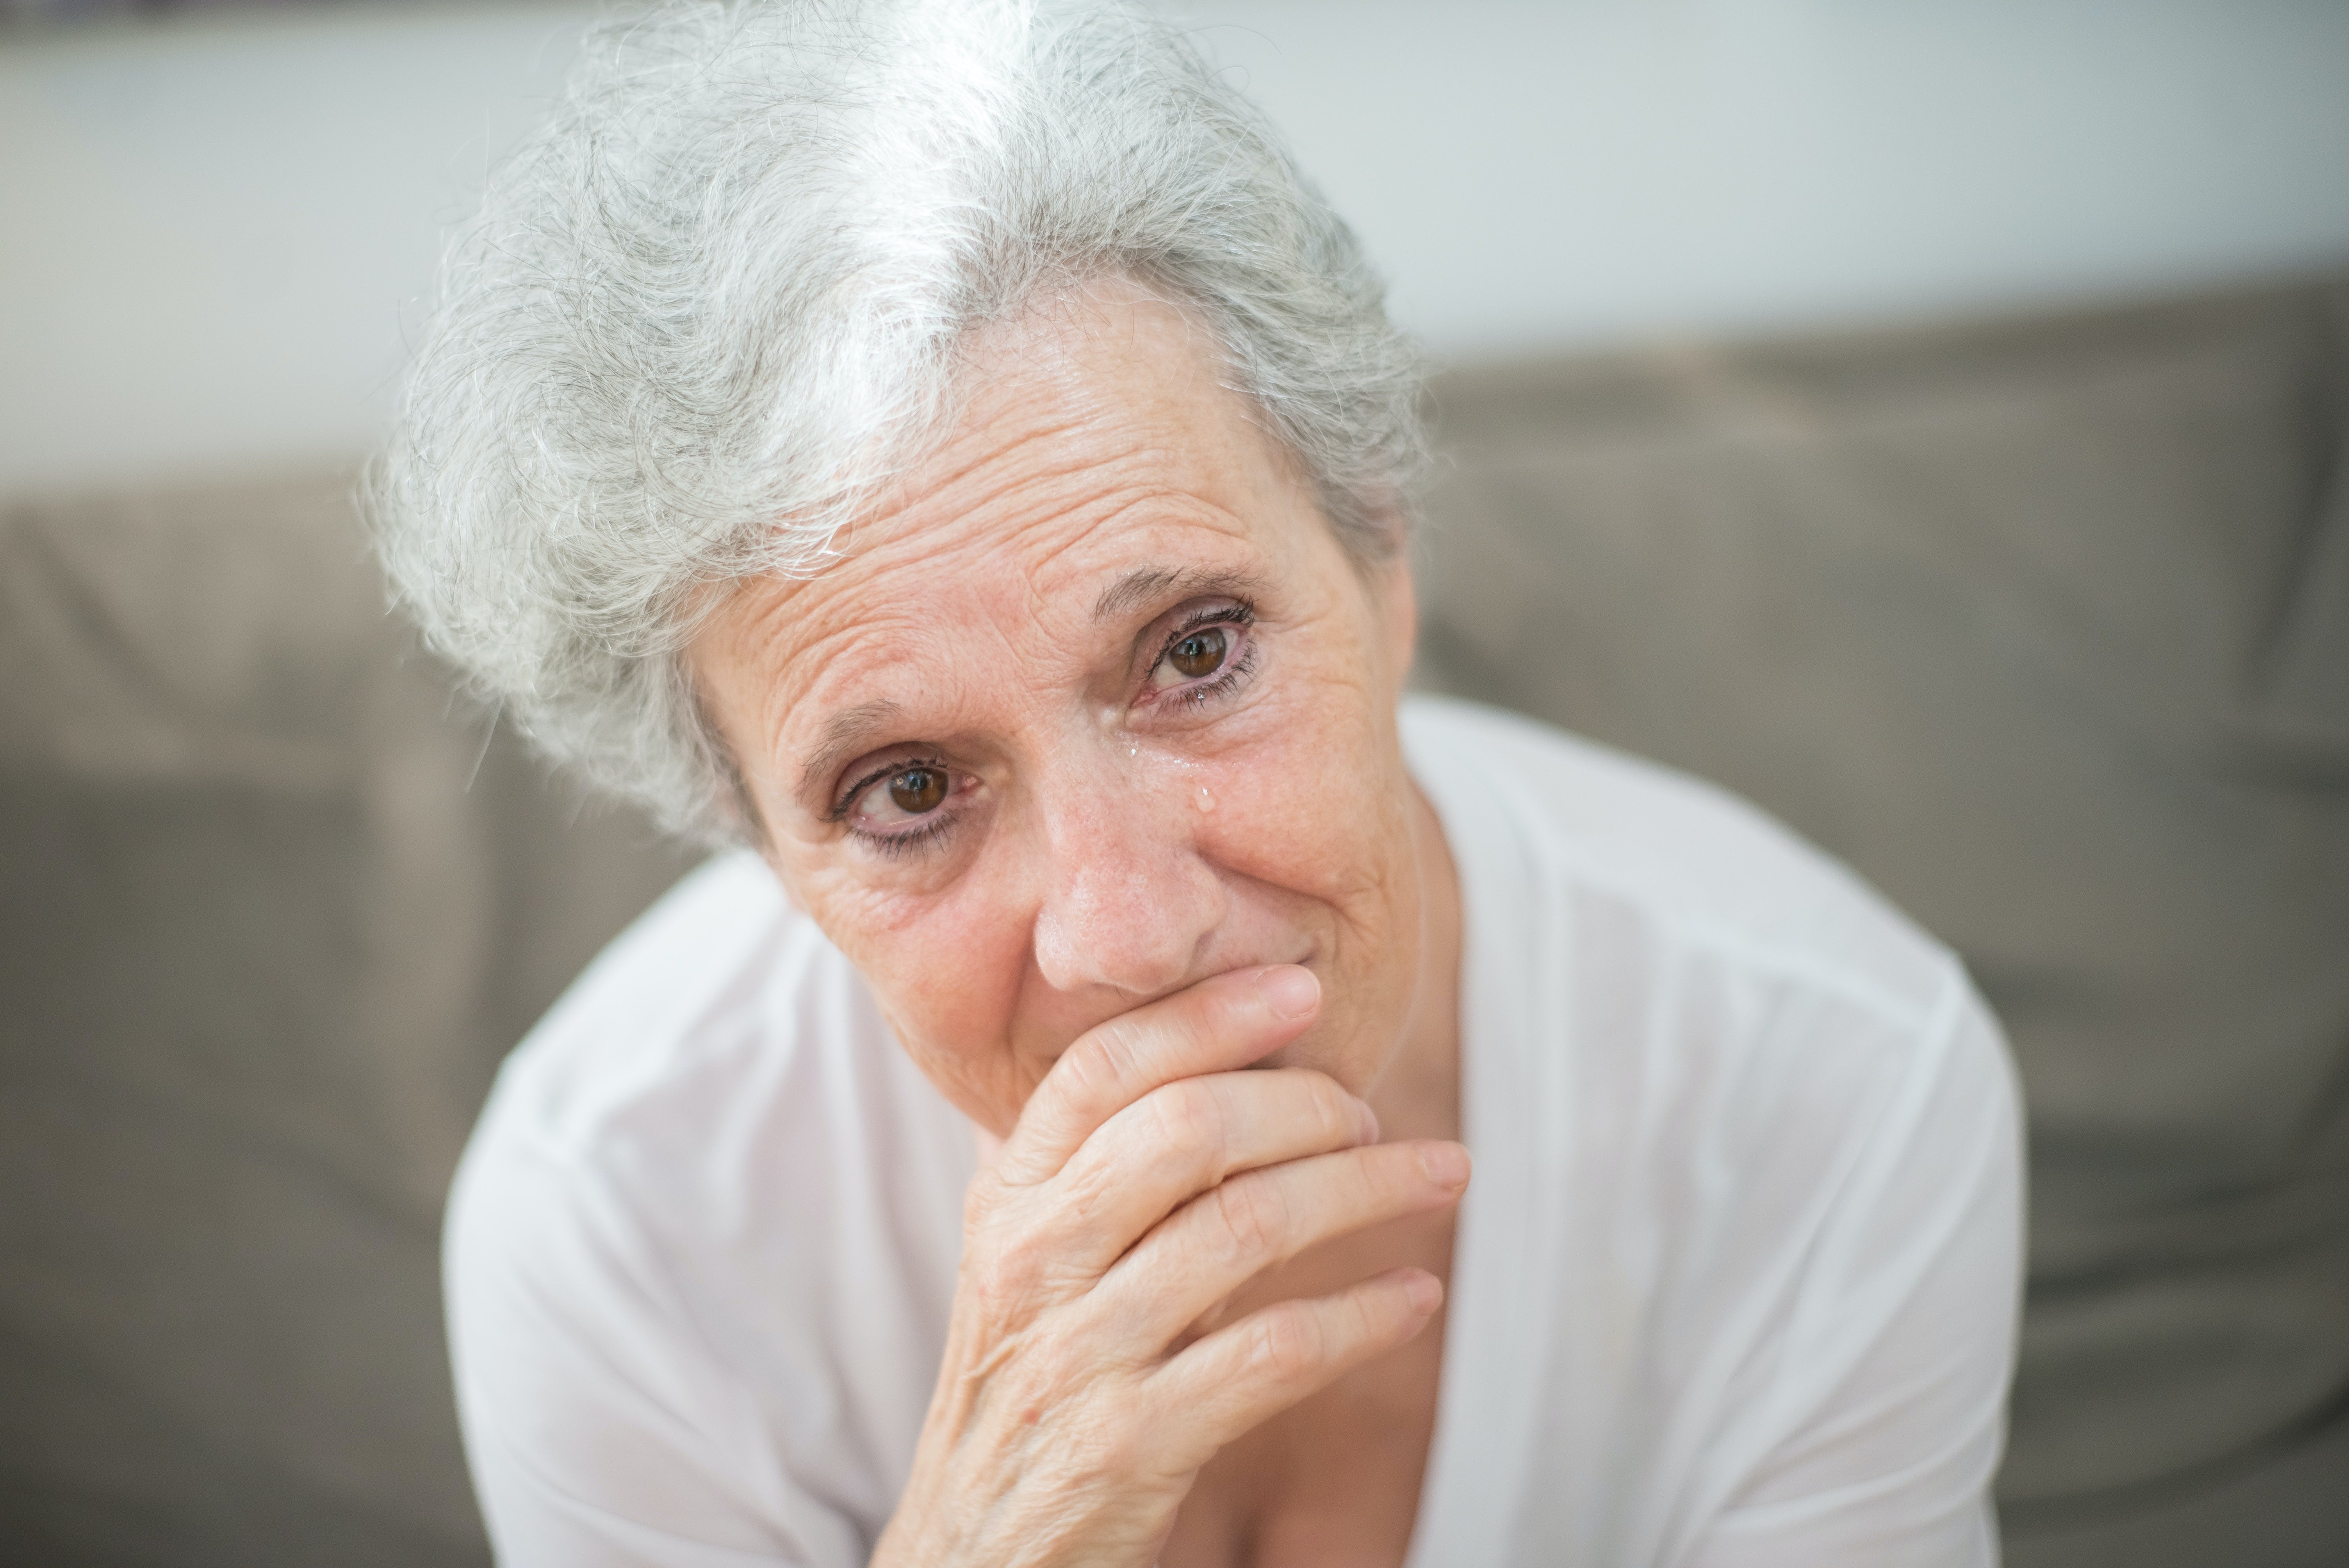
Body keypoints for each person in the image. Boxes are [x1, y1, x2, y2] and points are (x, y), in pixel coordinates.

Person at [372, 2, 2024, 1563]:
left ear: (1379, 556)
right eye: (905, 789)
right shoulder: (613, 1224)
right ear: (753, 844)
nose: (1133, 926)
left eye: (1195, 652)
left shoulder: (1836, 1082)